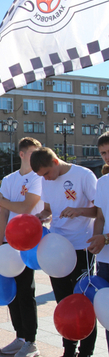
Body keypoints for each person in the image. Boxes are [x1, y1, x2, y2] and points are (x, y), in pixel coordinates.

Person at [31, 147, 97, 357]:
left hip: (81, 248)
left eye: (47, 173)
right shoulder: (45, 179)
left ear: (56, 162)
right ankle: (69, 350)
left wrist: (78, 211)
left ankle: (86, 352)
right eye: (42, 176)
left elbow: (99, 210)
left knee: (84, 303)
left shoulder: (84, 175)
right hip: (56, 250)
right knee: (64, 303)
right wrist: (40, 217)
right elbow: (49, 210)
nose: (46, 179)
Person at [0, 137, 43, 357]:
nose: (37, 157)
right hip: (8, 242)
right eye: (33, 153)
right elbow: (3, 213)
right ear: (22, 154)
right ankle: (20, 336)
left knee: (26, 291)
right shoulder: (9, 179)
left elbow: (26, 207)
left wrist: (3, 201)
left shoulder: (38, 178)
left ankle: (31, 341)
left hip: (27, 242)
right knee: (12, 292)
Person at [88, 131, 109, 354]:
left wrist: (105, 238)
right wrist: (96, 241)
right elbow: (101, 217)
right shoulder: (103, 182)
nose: (106, 157)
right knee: (107, 314)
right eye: (103, 153)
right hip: (105, 260)